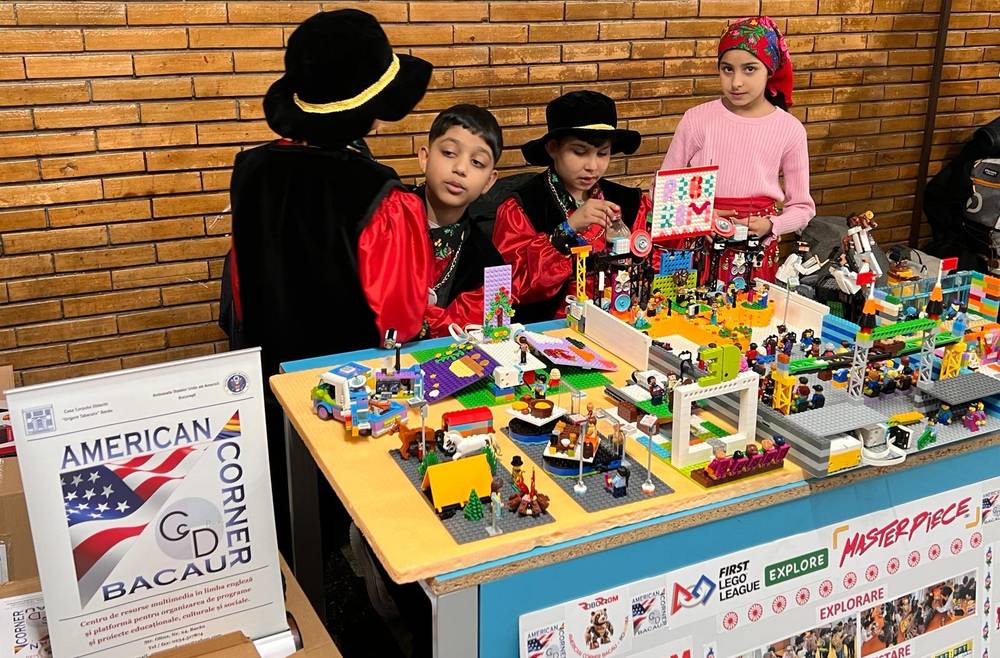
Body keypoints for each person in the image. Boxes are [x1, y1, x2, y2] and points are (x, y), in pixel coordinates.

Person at [226, 8, 431, 554]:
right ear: (374, 113)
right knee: (348, 509)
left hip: (267, 371)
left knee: (286, 502)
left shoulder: (250, 171)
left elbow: (238, 287)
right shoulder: (381, 194)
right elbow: (400, 320)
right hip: (350, 389)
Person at [658, 16, 815, 286]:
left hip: (756, 249)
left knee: (751, 308)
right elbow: (661, 190)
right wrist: (700, 216)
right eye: (727, 69)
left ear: (770, 70)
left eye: (750, 69)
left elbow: (802, 207)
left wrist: (772, 225)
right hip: (700, 246)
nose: (736, 82)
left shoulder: (789, 129)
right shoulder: (697, 119)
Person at [494, 91, 652, 322]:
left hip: (621, 321)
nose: (592, 166)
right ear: (553, 148)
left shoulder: (630, 202)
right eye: (579, 152)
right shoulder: (522, 207)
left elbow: (651, 263)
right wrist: (567, 229)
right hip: (548, 331)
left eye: (603, 153)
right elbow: (511, 287)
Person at [370, 104, 507, 336]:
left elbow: (494, 333)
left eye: (477, 162)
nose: (460, 168)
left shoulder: (490, 262)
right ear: (424, 158)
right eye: (449, 153)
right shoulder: (381, 217)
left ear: (489, 181)